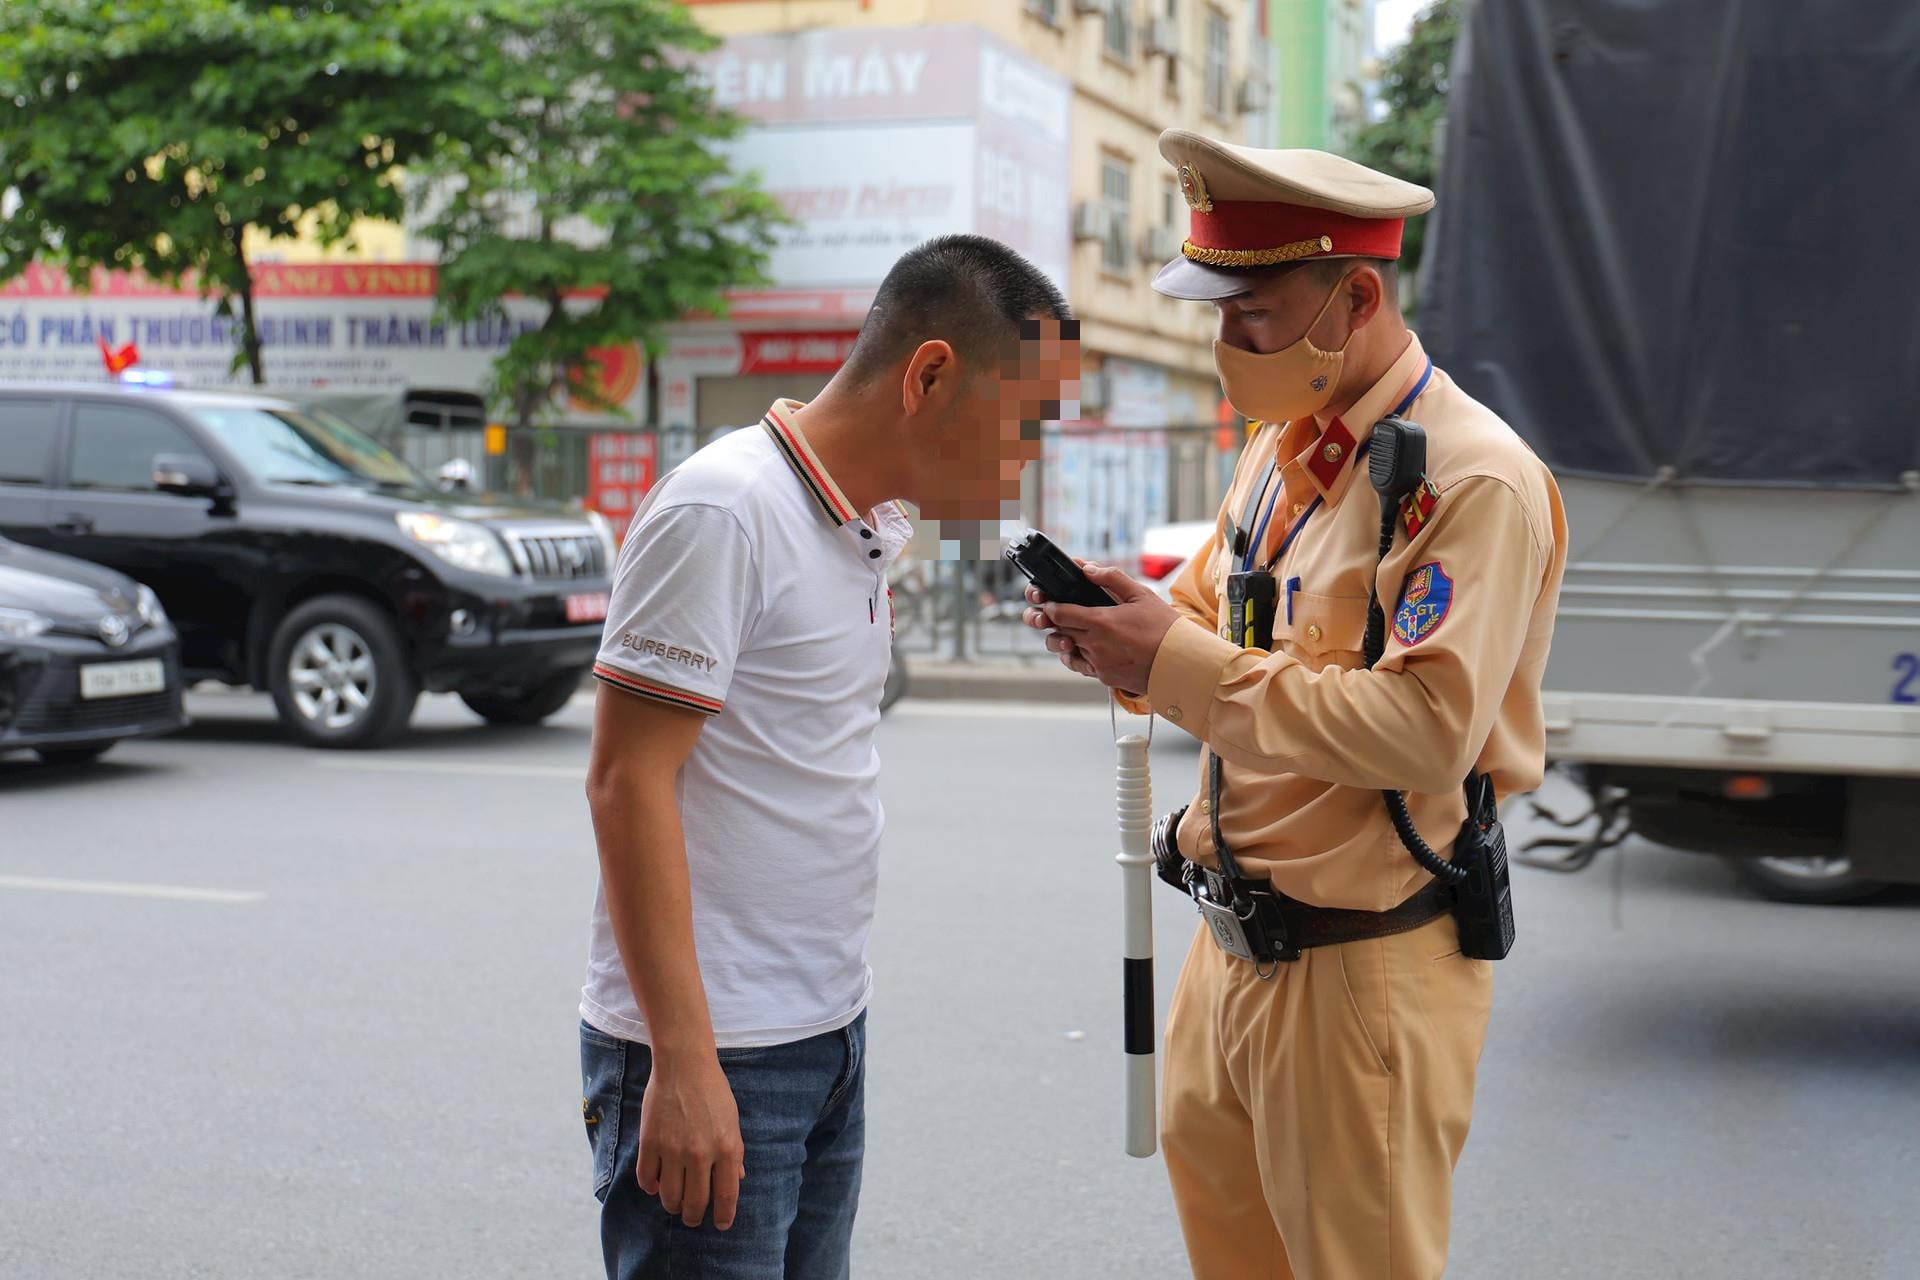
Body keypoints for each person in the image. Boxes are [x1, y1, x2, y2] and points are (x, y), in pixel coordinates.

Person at [1024, 131, 1568, 1279]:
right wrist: (1125, 635)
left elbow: (1424, 729)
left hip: (1360, 970)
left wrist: (1171, 661)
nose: (1225, 345)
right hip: (1230, 949)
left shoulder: (1470, 480)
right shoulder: (1281, 451)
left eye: (1249, 316)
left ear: (1355, 294)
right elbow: (1218, 630)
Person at [579, 234, 1075, 1280]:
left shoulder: (865, 526)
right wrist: (681, 1058)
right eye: (1024, 422)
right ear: (930, 376)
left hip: (824, 1029)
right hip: (719, 1049)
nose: (1030, 456)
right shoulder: (726, 508)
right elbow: (627, 781)